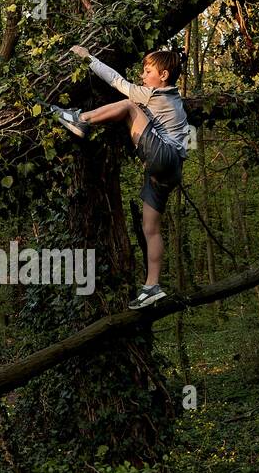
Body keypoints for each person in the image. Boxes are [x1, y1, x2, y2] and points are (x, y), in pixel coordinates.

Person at [46, 46, 190, 310]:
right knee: (151, 228)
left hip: (163, 156)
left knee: (127, 104)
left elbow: (116, 82)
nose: (143, 76)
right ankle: (152, 287)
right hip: (171, 168)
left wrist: (89, 58)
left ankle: (81, 119)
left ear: (164, 75)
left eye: (148, 72)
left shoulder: (153, 94)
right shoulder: (175, 99)